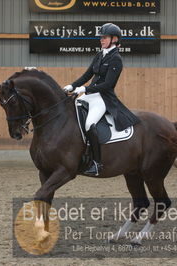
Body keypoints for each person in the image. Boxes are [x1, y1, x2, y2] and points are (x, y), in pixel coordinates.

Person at [63, 23, 140, 176]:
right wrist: (71, 86)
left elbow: (108, 85)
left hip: (103, 98)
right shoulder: (100, 54)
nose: (101, 40)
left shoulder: (116, 59)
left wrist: (85, 89)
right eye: (101, 37)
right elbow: (87, 75)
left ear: (114, 39)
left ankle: (97, 163)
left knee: (89, 124)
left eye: (104, 37)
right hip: (90, 95)